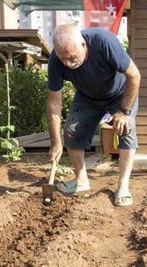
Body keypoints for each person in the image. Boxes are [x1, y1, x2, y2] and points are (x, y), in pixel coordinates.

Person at [46, 23, 140, 207]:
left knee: (126, 130)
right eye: (64, 59)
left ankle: (123, 186)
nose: (69, 63)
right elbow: (54, 102)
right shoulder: (56, 61)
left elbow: (134, 76)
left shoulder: (103, 42)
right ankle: (81, 180)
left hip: (120, 94)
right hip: (88, 96)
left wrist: (124, 112)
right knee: (72, 131)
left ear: (83, 44)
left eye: (72, 57)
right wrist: (56, 142)